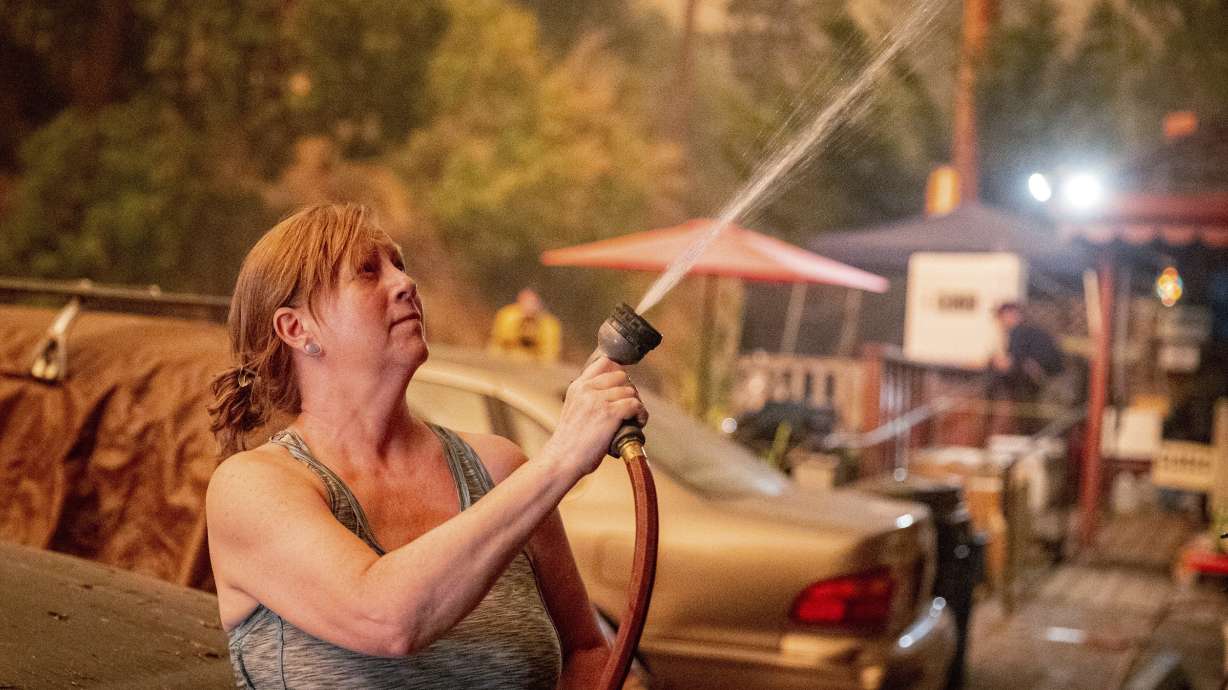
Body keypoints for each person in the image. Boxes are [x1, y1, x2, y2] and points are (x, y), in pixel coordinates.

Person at [206, 204, 646, 688]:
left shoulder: (496, 469)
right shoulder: (252, 488)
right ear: (297, 329)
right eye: (368, 271)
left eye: (400, 265)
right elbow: (385, 619)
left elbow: (584, 651)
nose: (404, 283)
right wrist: (561, 459)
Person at [988, 302, 1064, 433]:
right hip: (1043, 373)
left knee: (993, 377)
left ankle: (991, 414)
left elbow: (1013, 361)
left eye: (1003, 316)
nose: (1001, 321)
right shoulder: (1027, 331)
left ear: (1013, 314)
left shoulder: (1019, 331)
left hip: (1040, 375)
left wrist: (997, 362)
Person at [488, 288, 562, 363]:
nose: (529, 306)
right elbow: (498, 342)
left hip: (535, 365)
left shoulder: (549, 325)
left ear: (540, 304)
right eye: (526, 301)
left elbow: (549, 353)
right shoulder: (507, 316)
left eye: (533, 302)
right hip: (507, 360)